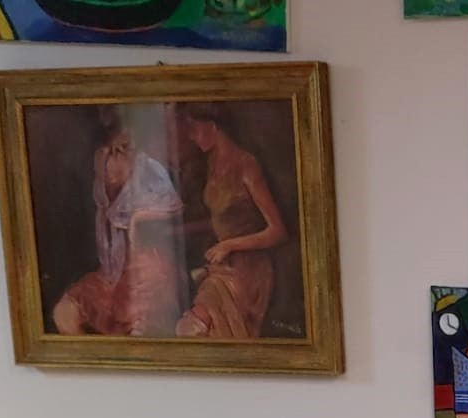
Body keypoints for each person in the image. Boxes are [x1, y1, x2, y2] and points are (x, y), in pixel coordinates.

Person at [51, 110, 185, 338]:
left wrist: (137, 219)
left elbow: (174, 206)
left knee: (140, 328)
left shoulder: (147, 166)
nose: (126, 135)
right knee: (64, 314)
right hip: (112, 266)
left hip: (147, 263)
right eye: (120, 129)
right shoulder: (101, 158)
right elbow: (104, 209)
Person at [174, 105, 290, 340]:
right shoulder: (212, 163)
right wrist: (178, 230)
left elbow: (278, 232)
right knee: (196, 326)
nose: (192, 137)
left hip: (248, 268)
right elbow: (222, 221)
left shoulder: (246, 165)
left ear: (212, 126)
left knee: (200, 322)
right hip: (222, 264)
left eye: (194, 129)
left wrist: (229, 245)